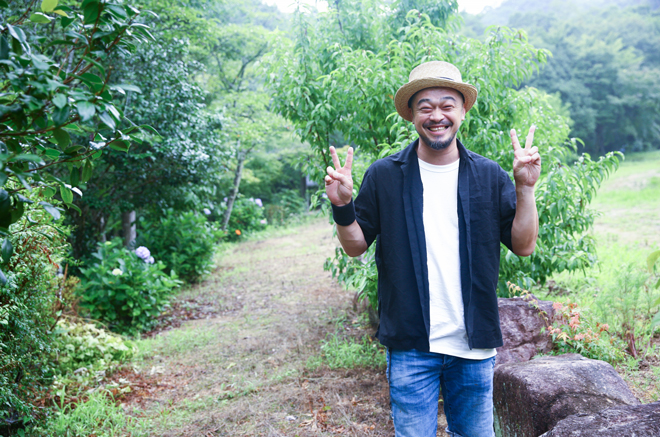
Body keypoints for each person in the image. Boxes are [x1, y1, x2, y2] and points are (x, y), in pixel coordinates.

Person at [323, 61, 541, 437]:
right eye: (425, 107)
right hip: (410, 345)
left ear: (462, 111)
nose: (436, 116)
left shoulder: (489, 175)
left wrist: (525, 188)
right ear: (411, 115)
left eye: (446, 105)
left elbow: (524, 245)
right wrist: (343, 206)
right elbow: (355, 246)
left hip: (473, 347)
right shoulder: (385, 175)